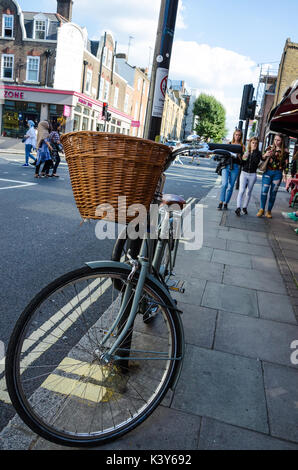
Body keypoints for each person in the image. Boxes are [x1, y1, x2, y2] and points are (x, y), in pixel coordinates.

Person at [257, 133, 289, 219]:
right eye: (275, 139)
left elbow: (286, 164)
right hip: (267, 172)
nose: (276, 142)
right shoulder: (269, 148)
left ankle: (269, 211)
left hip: (277, 174)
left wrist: (285, 174)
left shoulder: (285, 151)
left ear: (282, 141)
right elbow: (262, 158)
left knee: (273, 193)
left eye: (278, 140)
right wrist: (265, 155)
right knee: (264, 191)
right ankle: (261, 209)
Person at [217, 129, 244, 210]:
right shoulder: (229, 144)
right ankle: (221, 202)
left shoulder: (242, 146)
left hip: (235, 167)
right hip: (226, 165)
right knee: (224, 184)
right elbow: (223, 154)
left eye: (239, 135)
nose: (237, 136)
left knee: (231, 186)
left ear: (241, 136)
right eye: (236, 134)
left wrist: (239, 156)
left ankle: (226, 203)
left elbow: (243, 160)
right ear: (233, 135)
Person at [235, 137, 262, 216]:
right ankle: (238, 208)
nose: (254, 144)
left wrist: (252, 153)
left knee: (248, 192)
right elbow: (242, 164)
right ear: (250, 143)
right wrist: (242, 158)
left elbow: (256, 162)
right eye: (253, 143)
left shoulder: (258, 153)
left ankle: (245, 207)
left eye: (256, 143)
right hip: (244, 173)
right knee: (241, 191)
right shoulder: (246, 151)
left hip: (253, 174)